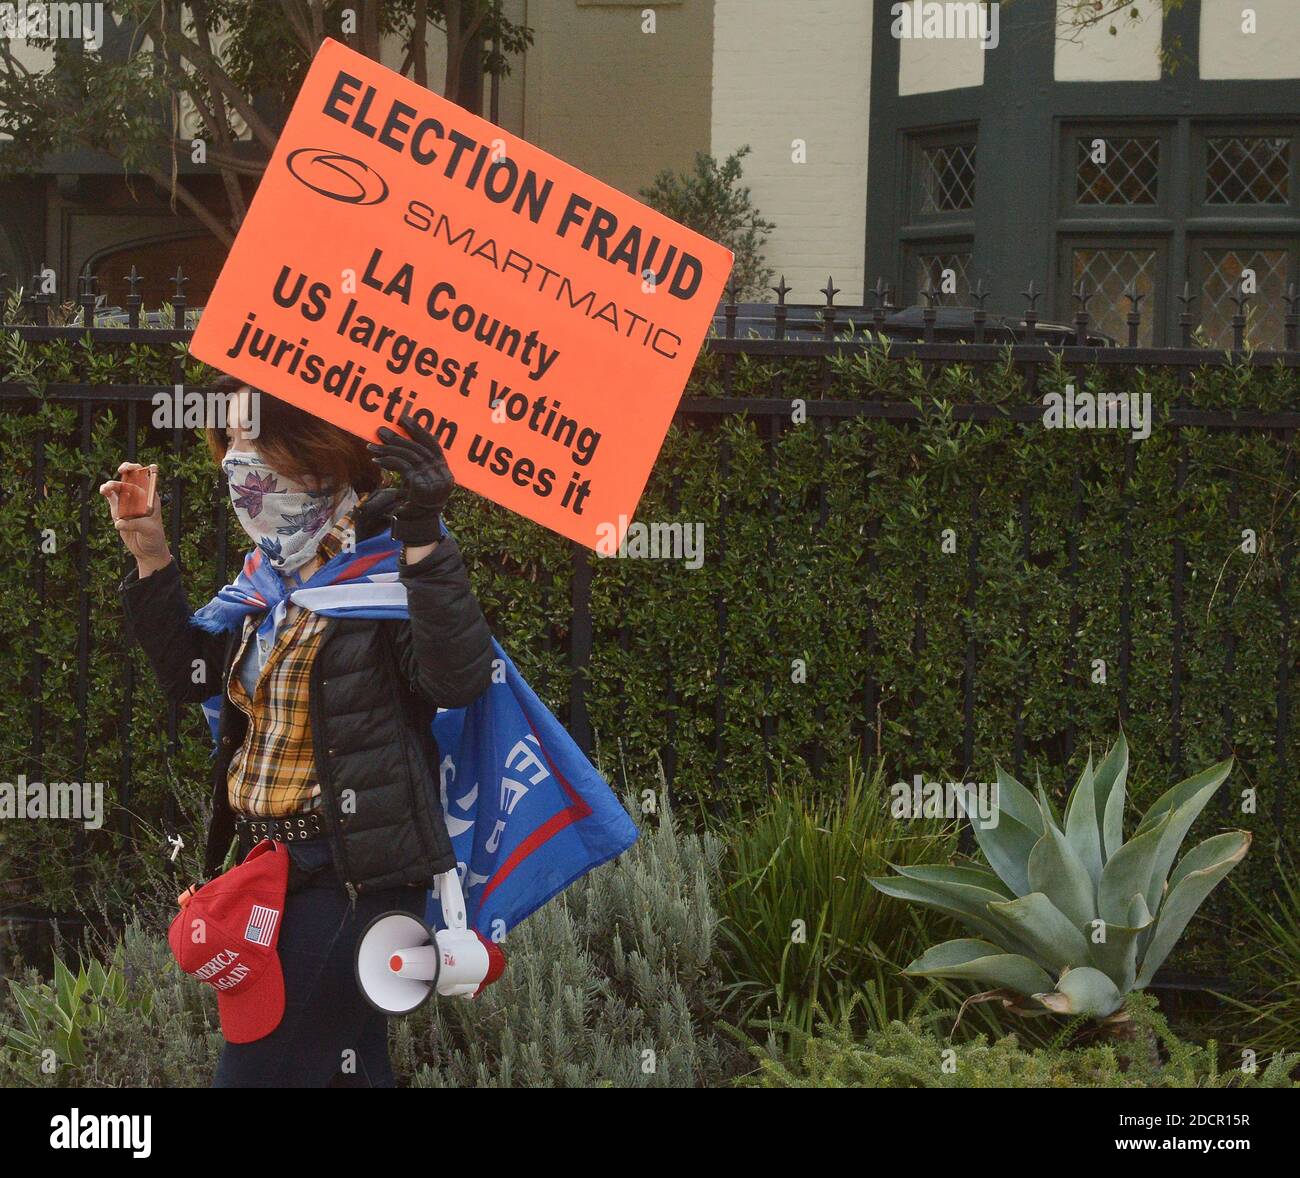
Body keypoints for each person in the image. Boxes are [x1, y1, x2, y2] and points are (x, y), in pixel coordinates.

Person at [99, 375, 494, 1087]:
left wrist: (427, 532)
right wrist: (149, 552)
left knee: (259, 1069)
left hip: (356, 877)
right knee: (347, 1068)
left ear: (317, 450)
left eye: (255, 439)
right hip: (277, 869)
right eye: (232, 440)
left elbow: (455, 680)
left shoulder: (389, 574)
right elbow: (191, 675)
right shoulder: (269, 581)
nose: (237, 460)